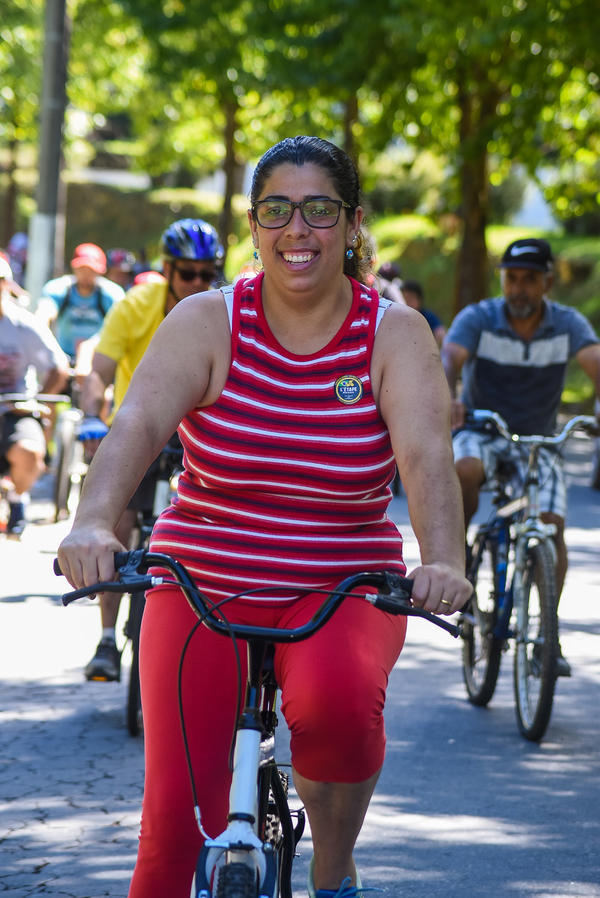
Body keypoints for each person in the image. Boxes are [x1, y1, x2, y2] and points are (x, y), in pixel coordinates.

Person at [57, 136, 471, 898]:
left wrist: (443, 558)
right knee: (171, 840)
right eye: (277, 210)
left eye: (319, 210)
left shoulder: (394, 332)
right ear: (253, 224)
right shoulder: (207, 321)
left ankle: (333, 867)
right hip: (201, 578)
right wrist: (93, 522)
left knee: (337, 710)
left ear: (352, 224)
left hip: (344, 580)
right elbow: (138, 427)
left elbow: (425, 457)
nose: (297, 230)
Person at [441, 237, 600, 677]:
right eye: (512, 278)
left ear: (547, 282)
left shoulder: (567, 324)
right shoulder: (480, 317)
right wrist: (449, 394)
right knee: (464, 468)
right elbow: (450, 356)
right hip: (484, 428)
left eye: (530, 280)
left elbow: (595, 363)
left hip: (538, 440)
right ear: (503, 280)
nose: (519, 289)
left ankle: (548, 633)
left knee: (552, 526)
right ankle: (458, 555)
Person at [80, 218, 224, 682]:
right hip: (140, 434)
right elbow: (99, 370)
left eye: (208, 274)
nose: (198, 283)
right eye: (188, 273)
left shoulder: (223, 311)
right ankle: (106, 638)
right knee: (117, 523)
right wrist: (90, 415)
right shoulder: (136, 305)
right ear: (167, 269)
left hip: (198, 441)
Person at [0, 256, 70, 536]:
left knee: (30, 452)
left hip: (15, 407)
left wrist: (39, 399)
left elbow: (58, 367)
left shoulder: (23, 324)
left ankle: (18, 497)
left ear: (6, 285)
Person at [37, 243, 125, 364]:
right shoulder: (59, 289)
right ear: (74, 268)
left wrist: (89, 348)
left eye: (91, 270)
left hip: (98, 357)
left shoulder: (112, 294)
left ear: (101, 271)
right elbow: (43, 316)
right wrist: (50, 348)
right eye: (81, 269)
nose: (85, 274)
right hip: (63, 356)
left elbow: (119, 329)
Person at [401, 278, 446, 346]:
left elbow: (441, 334)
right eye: (404, 299)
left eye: (410, 298)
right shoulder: (398, 317)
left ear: (419, 299)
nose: (407, 302)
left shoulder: (428, 316)